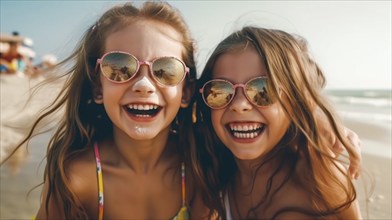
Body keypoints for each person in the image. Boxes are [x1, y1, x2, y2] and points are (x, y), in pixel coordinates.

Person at [4, 2, 209, 219]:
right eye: (120, 67)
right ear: (98, 88)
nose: (143, 85)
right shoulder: (76, 179)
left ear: (186, 92)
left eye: (166, 70)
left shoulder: (199, 168)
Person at [194, 26, 362, 219]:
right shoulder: (210, 178)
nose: (239, 105)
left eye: (263, 89)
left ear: (296, 100)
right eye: (220, 91)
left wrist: (313, 116)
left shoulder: (322, 179)